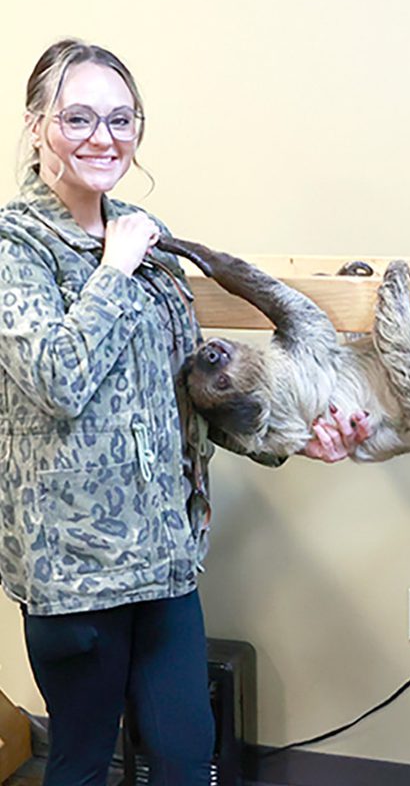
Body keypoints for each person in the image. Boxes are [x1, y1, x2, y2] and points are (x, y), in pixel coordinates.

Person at [0, 40, 368, 786]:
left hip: (166, 559)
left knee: (185, 757)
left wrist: (289, 440)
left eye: (121, 119)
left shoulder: (146, 231)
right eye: (78, 117)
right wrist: (113, 269)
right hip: (74, 572)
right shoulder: (16, 246)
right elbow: (56, 380)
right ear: (37, 126)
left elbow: (192, 390)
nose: (104, 138)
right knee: (80, 760)